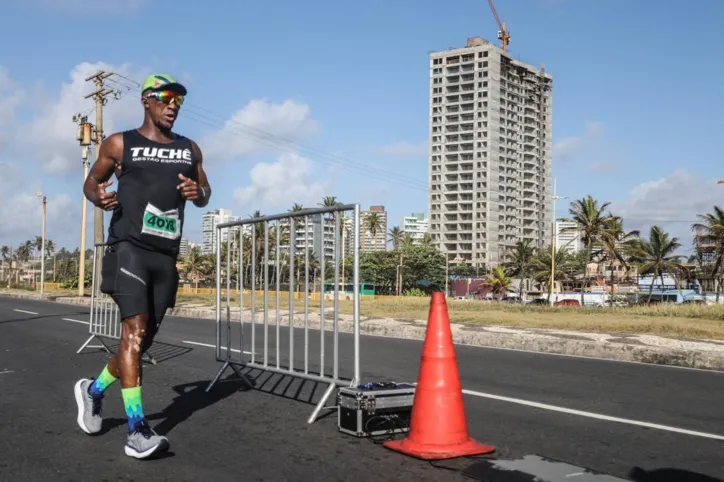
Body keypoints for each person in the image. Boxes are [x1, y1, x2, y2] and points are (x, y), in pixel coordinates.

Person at [73, 74, 211, 459]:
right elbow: (91, 181)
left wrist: (196, 193)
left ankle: (93, 390)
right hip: (128, 247)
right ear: (147, 100)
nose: (173, 106)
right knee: (133, 332)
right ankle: (137, 429)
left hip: (165, 255)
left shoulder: (189, 149)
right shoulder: (120, 143)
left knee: (144, 339)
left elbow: (204, 192)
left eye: (178, 101)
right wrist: (98, 196)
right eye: (166, 98)